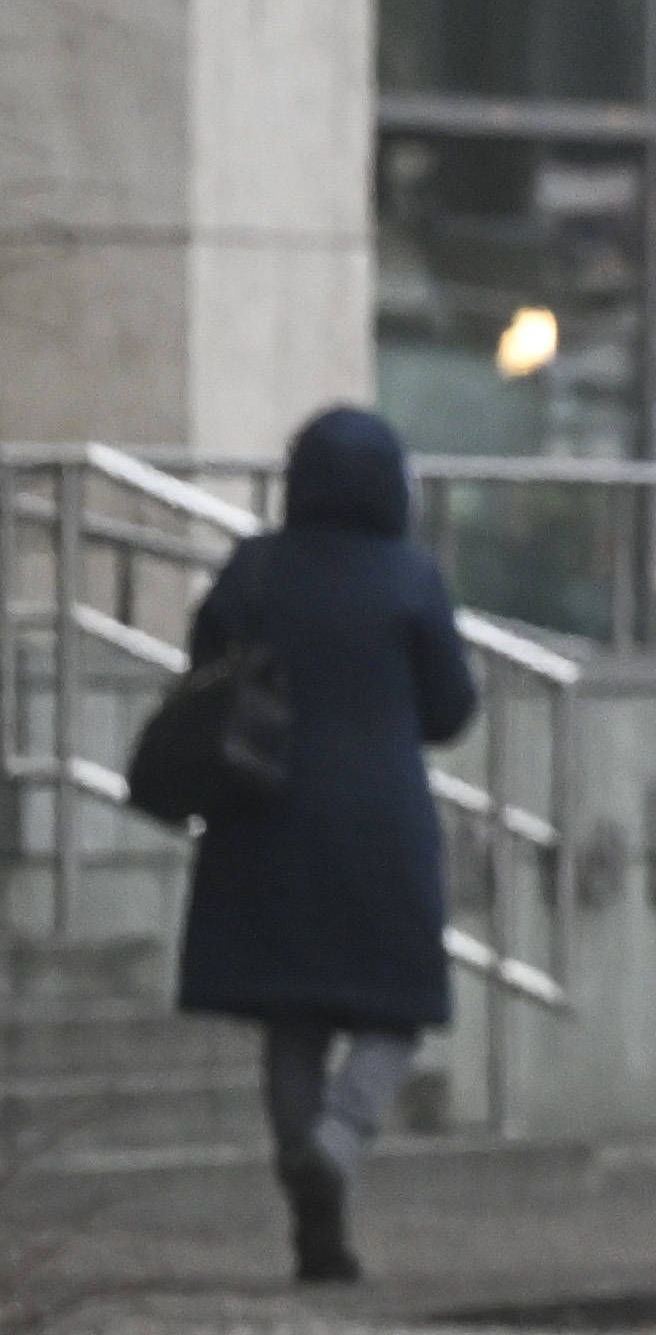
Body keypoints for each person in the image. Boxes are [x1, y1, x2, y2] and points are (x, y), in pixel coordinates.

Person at [169, 406, 474, 1284]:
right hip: (380, 828)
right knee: (397, 1012)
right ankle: (336, 1147)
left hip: (263, 818)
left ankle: (314, 1216)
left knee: (292, 1020)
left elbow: (203, 665)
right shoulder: (410, 578)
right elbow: (450, 710)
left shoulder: (256, 569)